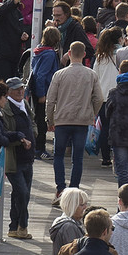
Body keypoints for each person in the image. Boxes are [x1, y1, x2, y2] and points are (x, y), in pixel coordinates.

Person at [46, 40, 101, 190]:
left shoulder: (59, 75)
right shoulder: (91, 74)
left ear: (69, 53)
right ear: (84, 54)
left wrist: (50, 119)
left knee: (58, 155)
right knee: (78, 158)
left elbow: (50, 100)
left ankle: (60, 187)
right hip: (82, 120)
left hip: (62, 119)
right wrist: (92, 114)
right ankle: (74, 187)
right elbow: (99, 98)